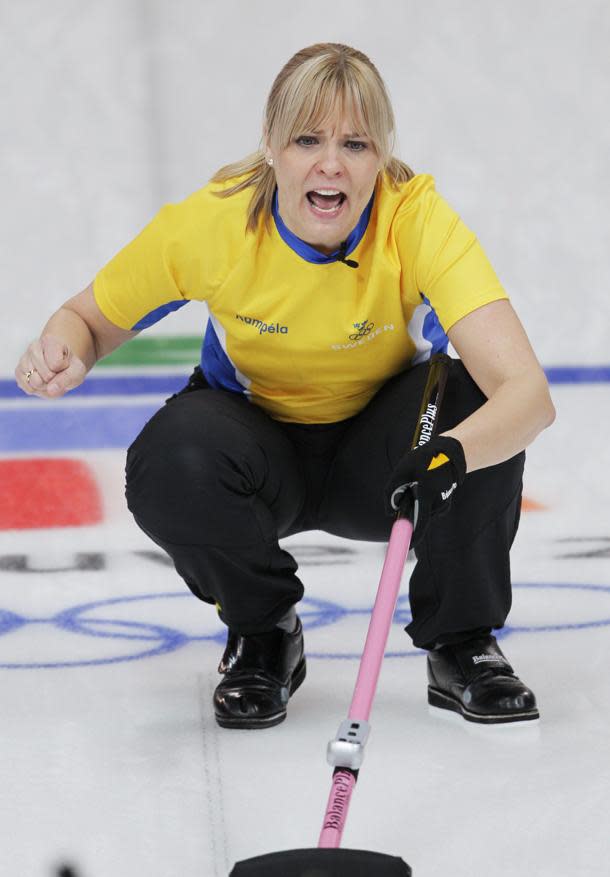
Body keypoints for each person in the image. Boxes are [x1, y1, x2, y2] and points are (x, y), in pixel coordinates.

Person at [15, 42, 555, 729]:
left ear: (382, 155)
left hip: (385, 463)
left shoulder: (415, 220)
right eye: (308, 139)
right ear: (271, 145)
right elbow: (86, 319)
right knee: (170, 456)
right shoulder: (213, 223)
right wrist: (65, 346)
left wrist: (450, 453)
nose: (331, 162)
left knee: (475, 400)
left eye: (355, 144)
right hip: (258, 453)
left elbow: (526, 393)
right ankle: (265, 631)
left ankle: (463, 641)